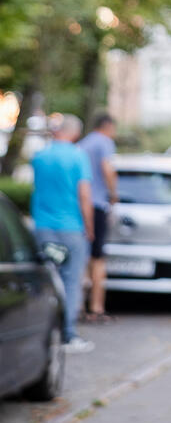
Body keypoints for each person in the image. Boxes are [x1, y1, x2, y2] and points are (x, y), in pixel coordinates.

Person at [31, 113, 95, 352]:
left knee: (48, 279)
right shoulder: (78, 157)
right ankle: (68, 334)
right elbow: (85, 195)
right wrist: (89, 227)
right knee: (71, 281)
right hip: (71, 228)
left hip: (43, 227)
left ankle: (43, 332)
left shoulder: (40, 156)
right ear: (75, 133)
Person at [78, 111, 118, 323]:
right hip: (97, 205)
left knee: (83, 258)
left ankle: (80, 306)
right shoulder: (104, 142)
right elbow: (107, 168)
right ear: (108, 127)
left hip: (80, 206)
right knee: (98, 259)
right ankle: (96, 308)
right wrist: (113, 194)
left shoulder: (83, 144)